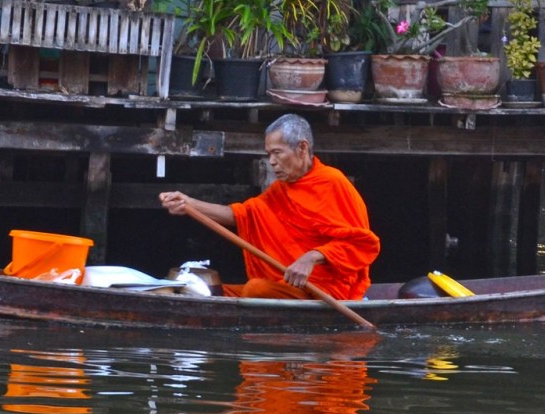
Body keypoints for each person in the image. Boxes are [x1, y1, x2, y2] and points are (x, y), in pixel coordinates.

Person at [158, 113, 380, 300]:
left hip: (326, 292)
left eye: (277, 152)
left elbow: (363, 245)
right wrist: (189, 204)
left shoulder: (333, 183)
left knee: (256, 289)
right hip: (287, 287)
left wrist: (312, 257)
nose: (272, 161)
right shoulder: (280, 189)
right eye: (269, 154)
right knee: (202, 290)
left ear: (302, 148)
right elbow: (243, 215)